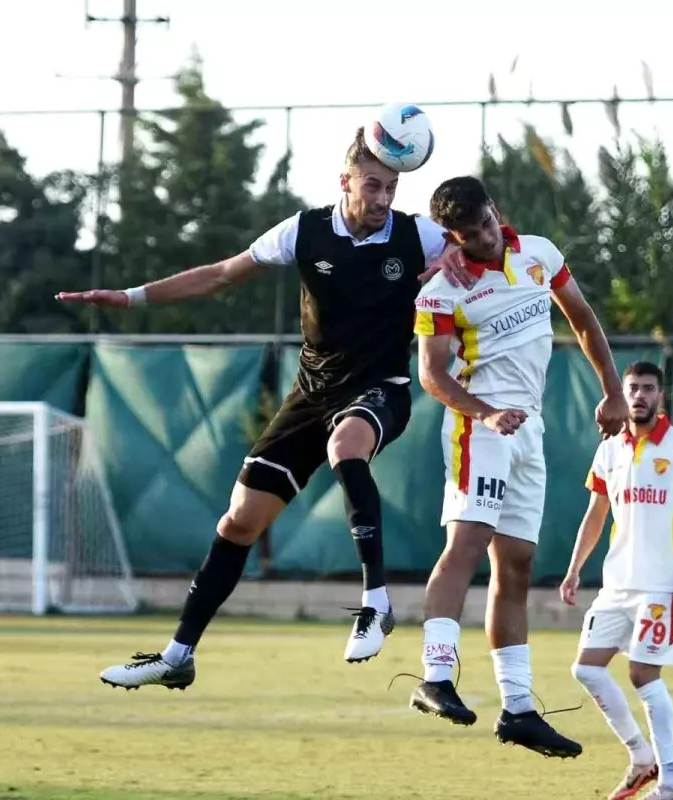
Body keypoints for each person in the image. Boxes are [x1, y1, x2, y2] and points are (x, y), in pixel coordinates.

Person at [56, 127, 473, 688]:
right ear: (345, 181)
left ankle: (377, 601)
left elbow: (480, 244)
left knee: (346, 445)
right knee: (240, 520)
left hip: (382, 386)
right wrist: (131, 297)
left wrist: (457, 257)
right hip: (310, 395)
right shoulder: (303, 231)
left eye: (392, 188)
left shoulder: (416, 235)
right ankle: (178, 657)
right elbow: (220, 275)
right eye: (373, 185)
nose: (383, 199)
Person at [408, 175, 628, 758]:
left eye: (483, 225)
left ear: (495, 211)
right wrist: (484, 414)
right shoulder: (442, 291)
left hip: (530, 427)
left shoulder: (539, 254)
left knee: (519, 565)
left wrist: (612, 391)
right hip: (479, 426)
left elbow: (581, 317)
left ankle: (519, 710)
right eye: (465, 234)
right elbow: (431, 375)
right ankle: (435, 675)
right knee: (468, 543)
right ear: (450, 237)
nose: (479, 239)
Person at [560, 361, 673, 800]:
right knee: (586, 669)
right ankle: (640, 757)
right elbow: (595, 516)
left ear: (660, 396)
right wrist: (574, 569)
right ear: (622, 394)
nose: (640, 396)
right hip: (616, 585)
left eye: (648, 388)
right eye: (633, 388)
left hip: (663, 583)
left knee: (643, 674)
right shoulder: (609, 450)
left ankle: (672, 783)